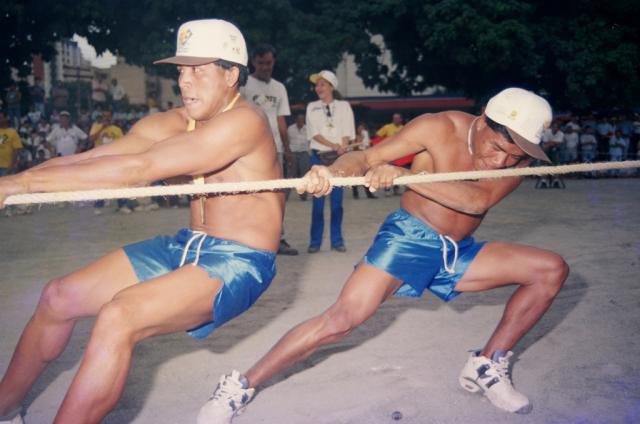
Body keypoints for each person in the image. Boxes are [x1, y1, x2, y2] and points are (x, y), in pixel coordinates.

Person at [199, 87, 570, 423]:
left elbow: (477, 200)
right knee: (340, 320)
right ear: (485, 120)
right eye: (497, 148)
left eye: (513, 156)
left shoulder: (516, 159)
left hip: (456, 251)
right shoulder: (437, 128)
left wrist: (402, 175)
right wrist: (330, 171)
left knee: (550, 270)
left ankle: (487, 365)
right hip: (408, 239)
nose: (501, 162)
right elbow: (365, 158)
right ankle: (240, 387)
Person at [0, 18, 283, 424]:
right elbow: (98, 158)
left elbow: (140, 168)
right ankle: (5, 408)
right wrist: (11, 182)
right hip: (187, 245)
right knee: (58, 297)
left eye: (199, 71)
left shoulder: (246, 121)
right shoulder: (173, 122)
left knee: (119, 316)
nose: (186, 83)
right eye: (182, 71)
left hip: (239, 261)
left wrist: (23, 183)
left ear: (231, 74)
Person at [241, 43, 298, 256]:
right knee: (252, 195)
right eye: (261, 63)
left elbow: (281, 119)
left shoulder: (279, 88)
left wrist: (288, 148)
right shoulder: (245, 86)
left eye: (269, 63)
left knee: (277, 196)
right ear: (254, 62)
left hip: (277, 150)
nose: (265, 67)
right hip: (250, 150)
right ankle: (252, 240)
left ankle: (278, 239)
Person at [304, 70, 355, 254]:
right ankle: (315, 242)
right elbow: (314, 134)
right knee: (317, 203)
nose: (318, 88)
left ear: (332, 86)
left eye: (322, 84)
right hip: (319, 158)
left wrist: (343, 146)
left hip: (338, 160)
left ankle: (337, 240)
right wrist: (335, 145)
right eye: (317, 85)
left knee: (337, 203)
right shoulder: (312, 107)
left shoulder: (344, 106)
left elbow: (348, 132)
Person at [376, 113, 405, 196]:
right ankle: (387, 189)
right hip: (389, 153)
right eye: (394, 118)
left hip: (400, 154)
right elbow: (378, 135)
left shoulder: (404, 128)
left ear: (400, 119)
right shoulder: (387, 127)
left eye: (397, 118)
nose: (395, 120)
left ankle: (396, 189)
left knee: (397, 171)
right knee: (388, 171)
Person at [286, 112, 311, 201]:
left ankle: (303, 196)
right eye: (299, 119)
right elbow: (287, 142)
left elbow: (310, 142)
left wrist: (309, 154)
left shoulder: (308, 129)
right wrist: (288, 154)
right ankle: (285, 197)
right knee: (290, 175)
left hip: (304, 154)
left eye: (302, 119)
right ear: (296, 120)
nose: (301, 121)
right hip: (293, 154)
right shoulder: (290, 129)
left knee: (304, 176)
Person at [351, 122, 376, 199]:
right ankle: (355, 193)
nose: (361, 129)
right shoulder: (354, 137)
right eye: (359, 128)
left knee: (366, 175)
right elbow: (352, 147)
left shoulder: (366, 136)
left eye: (362, 128)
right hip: (356, 158)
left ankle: (369, 194)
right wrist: (360, 140)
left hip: (364, 158)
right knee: (355, 176)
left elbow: (369, 147)